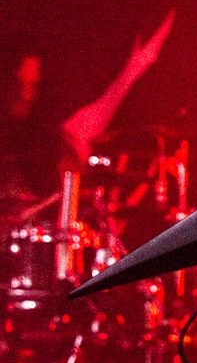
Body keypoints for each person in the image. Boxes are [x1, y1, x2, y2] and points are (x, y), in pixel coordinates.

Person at [0, 14, 176, 220]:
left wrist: (135, 67)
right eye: (20, 87)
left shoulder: (43, 136)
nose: (26, 96)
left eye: (32, 87)